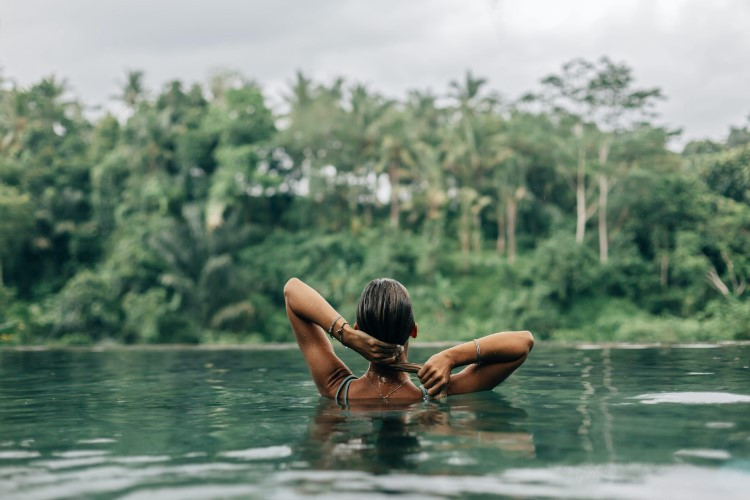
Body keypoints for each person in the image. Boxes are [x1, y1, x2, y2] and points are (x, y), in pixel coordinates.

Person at [284, 277, 534, 404]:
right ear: (413, 330)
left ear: (360, 329)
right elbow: (523, 343)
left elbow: (292, 289)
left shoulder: (336, 388)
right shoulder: (435, 394)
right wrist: (451, 357)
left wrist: (346, 335)